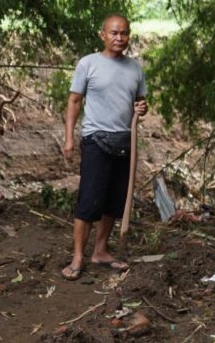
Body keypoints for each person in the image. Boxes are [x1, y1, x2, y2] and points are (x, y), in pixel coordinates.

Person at [60, 14, 147, 282]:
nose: (119, 38)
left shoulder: (135, 68)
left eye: (124, 33)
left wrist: (142, 108)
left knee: (115, 201)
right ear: (103, 35)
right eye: (114, 33)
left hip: (125, 140)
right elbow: (74, 101)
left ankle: (100, 250)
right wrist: (69, 138)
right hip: (96, 139)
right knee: (89, 200)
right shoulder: (88, 64)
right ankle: (77, 256)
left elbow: (140, 103)